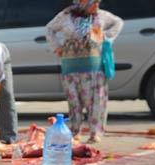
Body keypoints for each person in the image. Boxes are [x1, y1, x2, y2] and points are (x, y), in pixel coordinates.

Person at [46, 0, 123, 144]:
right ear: (82, 2)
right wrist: (56, 46)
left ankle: (95, 133)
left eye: (98, 2)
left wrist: (105, 37)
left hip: (94, 67)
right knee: (74, 101)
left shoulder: (101, 16)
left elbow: (118, 22)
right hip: (70, 67)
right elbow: (50, 28)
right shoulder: (66, 15)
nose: (97, 5)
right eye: (93, 2)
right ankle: (75, 131)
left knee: (96, 100)